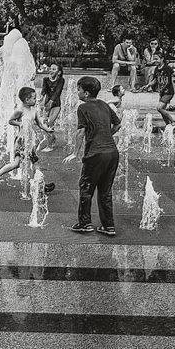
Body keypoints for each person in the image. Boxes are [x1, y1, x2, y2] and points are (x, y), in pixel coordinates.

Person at [71, 75, 121, 236]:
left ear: (86, 93)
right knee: (105, 191)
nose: (77, 92)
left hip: (95, 154)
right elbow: (118, 124)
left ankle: (85, 224)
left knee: (86, 188)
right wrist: (107, 135)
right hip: (112, 153)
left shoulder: (83, 107)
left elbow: (80, 132)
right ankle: (108, 226)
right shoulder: (104, 104)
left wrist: (75, 153)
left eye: (78, 89)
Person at [0, 87, 56, 194]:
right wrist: (20, 123)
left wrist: (47, 130)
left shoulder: (34, 110)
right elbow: (11, 121)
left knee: (28, 163)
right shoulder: (20, 110)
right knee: (22, 163)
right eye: (34, 98)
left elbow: (40, 124)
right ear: (27, 100)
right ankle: (41, 186)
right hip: (21, 141)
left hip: (30, 140)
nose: (36, 100)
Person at [39, 61, 65, 151]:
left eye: (54, 69)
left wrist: (51, 102)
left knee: (49, 123)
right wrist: (41, 97)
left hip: (56, 105)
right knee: (45, 124)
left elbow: (57, 92)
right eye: (50, 68)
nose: (51, 70)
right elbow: (44, 90)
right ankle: (53, 137)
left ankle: (49, 146)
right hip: (46, 105)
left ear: (59, 72)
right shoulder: (45, 79)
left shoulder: (61, 80)